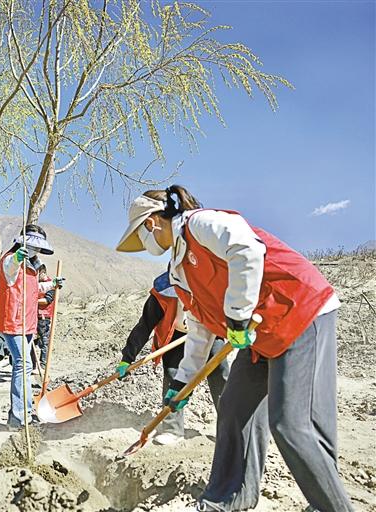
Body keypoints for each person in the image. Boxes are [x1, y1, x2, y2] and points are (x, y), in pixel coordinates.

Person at [115, 185, 353, 512]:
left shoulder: (200, 224)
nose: (143, 244)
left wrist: (237, 317)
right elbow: (199, 328)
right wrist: (183, 383)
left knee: (292, 423)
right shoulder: (178, 271)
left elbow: (246, 250)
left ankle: (331, 506)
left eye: (141, 235)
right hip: (260, 333)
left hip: (298, 308)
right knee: (234, 407)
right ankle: (229, 497)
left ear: (152, 222)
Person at [115, 271, 229, 445]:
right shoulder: (162, 293)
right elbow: (144, 326)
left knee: (219, 372)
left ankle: (230, 428)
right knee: (172, 374)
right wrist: (127, 358)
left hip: (209, 331)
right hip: (176, 335)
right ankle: (172, 429)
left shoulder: (210, 285)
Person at [0, 224, 64, 430]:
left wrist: (52, 284)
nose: (36, 250)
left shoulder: (33, 266)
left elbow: (33, 288)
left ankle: (23, 413)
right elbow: (10, 270)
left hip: (28, 321)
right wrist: (17, 258)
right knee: (22, 364)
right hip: (13, 320)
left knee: (24, 365)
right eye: (33, 246)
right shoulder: (11, 259)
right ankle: (19, 416)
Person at [35, 265, 56, 369]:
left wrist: (31, 300)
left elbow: (47, 300)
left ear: (43, 273)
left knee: (44, 341)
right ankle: (33, 365)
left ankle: (43, 365)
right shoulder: (37, 284)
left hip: (44, 317)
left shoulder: (51, 285)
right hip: (34, 316)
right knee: (33, 341)